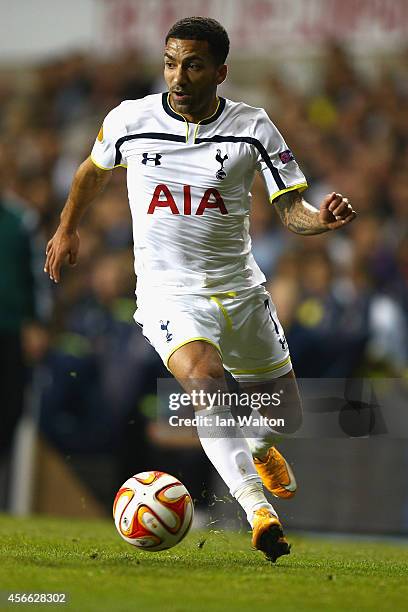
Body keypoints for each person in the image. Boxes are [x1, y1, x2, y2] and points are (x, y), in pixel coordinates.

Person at [44, 16, 356, 562]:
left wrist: (322, 221)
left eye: (193, 65)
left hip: (240, 290)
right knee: (205, 381)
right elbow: (92, 171)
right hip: (169, 293)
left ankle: (260, 444)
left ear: (220, 71)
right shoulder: (130, 119)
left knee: (286, 415)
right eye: (170, 63)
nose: (178, 76)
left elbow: (291, 210)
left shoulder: (253, 127)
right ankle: (257, 508)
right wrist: (68, 226)